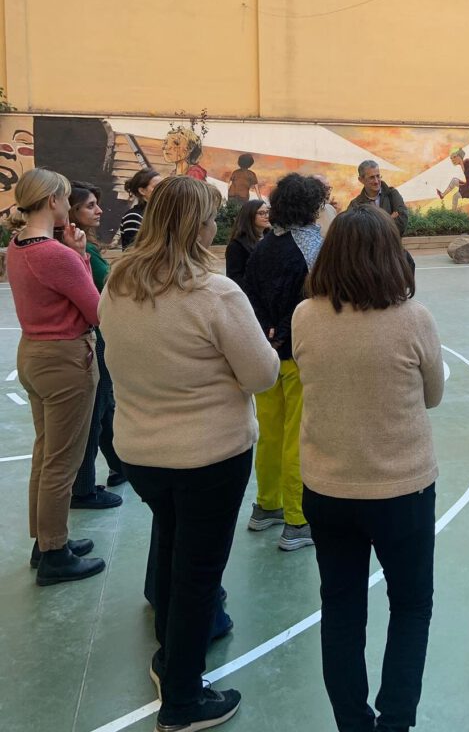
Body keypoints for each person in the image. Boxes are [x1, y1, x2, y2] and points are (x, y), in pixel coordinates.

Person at [99, 176, 279, 732]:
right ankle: (182, 701)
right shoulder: (215, 295)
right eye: (210, 218)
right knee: (199, 572)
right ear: (196, 226)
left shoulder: (118, 284)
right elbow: (262, 375)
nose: (214, 227)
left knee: (174, 545)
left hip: (142, 452)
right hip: (209, 456)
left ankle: (169, 655)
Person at [293, 206, 444, 732]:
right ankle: (395, 721)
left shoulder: (305, 316)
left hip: (327, 486)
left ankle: (353, 723)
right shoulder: (414, 318)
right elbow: (433, 396)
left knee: (340, 608)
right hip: (401, 488)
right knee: (411, 606)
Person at [6, 168, 106, 586]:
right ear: (52, 201)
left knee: (46, 454)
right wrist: (79, 256)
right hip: (65, 360)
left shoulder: (17, 245)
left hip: (34, 353)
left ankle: (47, 539)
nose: (69, 204)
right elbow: (95, 309)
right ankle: (54, 554)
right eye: (66, 198)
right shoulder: (55, 254)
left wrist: (76, 253)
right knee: (62, 462)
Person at [244, 173, 325, 549]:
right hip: (300, 354)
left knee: (270, 433)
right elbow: (313, 299)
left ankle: (266, 505)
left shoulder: (263, 246)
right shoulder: (311, 246)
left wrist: (269, 331)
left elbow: (250, 294)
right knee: (297, 437)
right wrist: (287, 332)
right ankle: (297, 519)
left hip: (267, 355)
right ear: (309, 206)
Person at [68, 182, 125, 507]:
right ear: (72, 211)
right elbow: (101, 295)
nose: (99, 210)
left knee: (104, 407)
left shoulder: (84, 247)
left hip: (99, 337)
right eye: (90, 205)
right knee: (95, 412)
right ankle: (83, 488)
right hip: (94, 339)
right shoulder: (77, 251)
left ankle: (119, 465)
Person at [348, 160, 408, 234]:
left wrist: (372, 227)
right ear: (361, 180)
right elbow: (355, 231)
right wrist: (388, 219)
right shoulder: (356, 204)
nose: (376, 181)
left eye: (378, 176)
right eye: (371, 177)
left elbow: (402, 223)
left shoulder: (392, 194)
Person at [225, 199, 270, 288]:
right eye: (261, 213)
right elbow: (235, 278)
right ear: (249, 216)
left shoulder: (271, 238)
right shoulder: (237, 245)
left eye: (267, 212)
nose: (267, 216)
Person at [119, 168, 161, 249]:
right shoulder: (133, 216)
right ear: (142, 191)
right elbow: (134, 251)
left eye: (163, 186)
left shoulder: (158, 214)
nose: (163, 190)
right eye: (157, 187)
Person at [312, 173, 338, 237]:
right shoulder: (305, 213)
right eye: (325, 188)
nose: (329, 192)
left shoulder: (331, 209)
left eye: (329, 188)